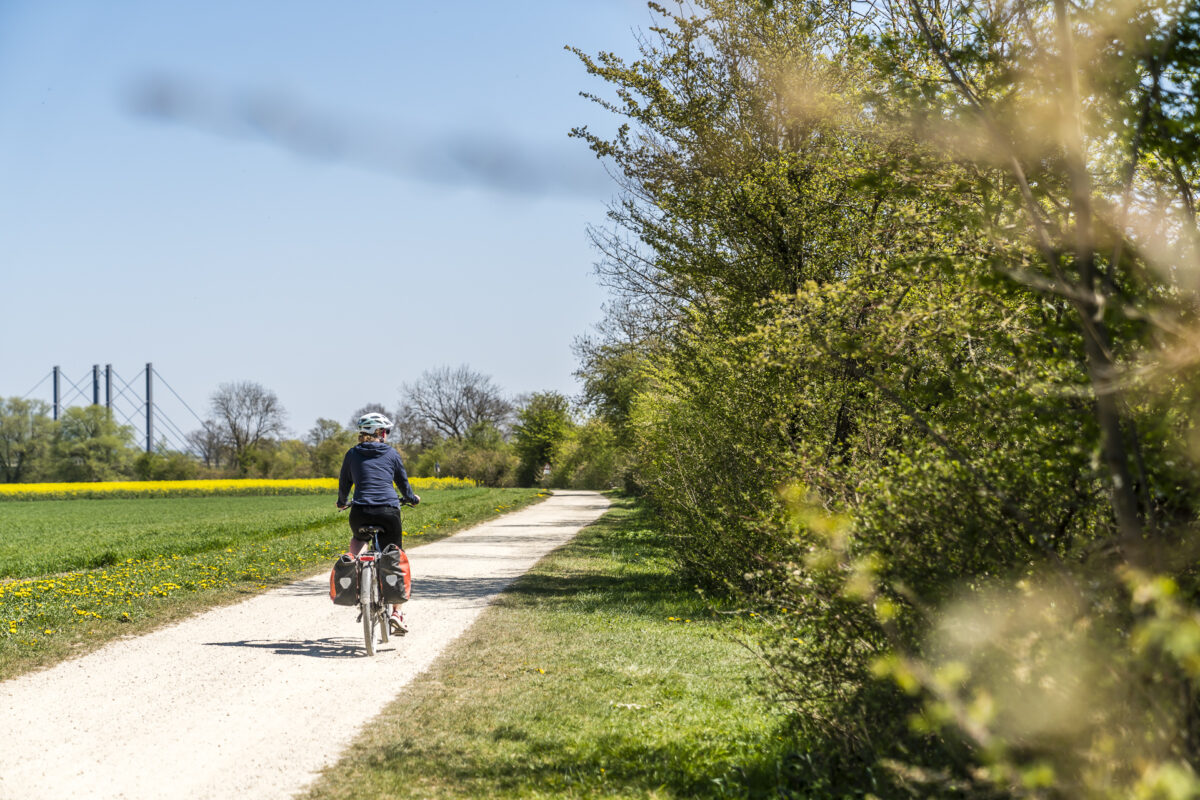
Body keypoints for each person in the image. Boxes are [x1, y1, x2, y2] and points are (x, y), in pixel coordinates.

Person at [337, 412, 420, 635]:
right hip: (388, 511)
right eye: (386, 431)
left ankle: (351, 565)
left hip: (360, 511)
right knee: (394, 554)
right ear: (379, 432)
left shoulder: (352, 454)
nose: (387, 435)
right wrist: (411, 498)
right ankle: (396, 613)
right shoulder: (391, 453)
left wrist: (342, 502)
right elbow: (402, 482)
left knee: (358, 538)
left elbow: (345, 482)